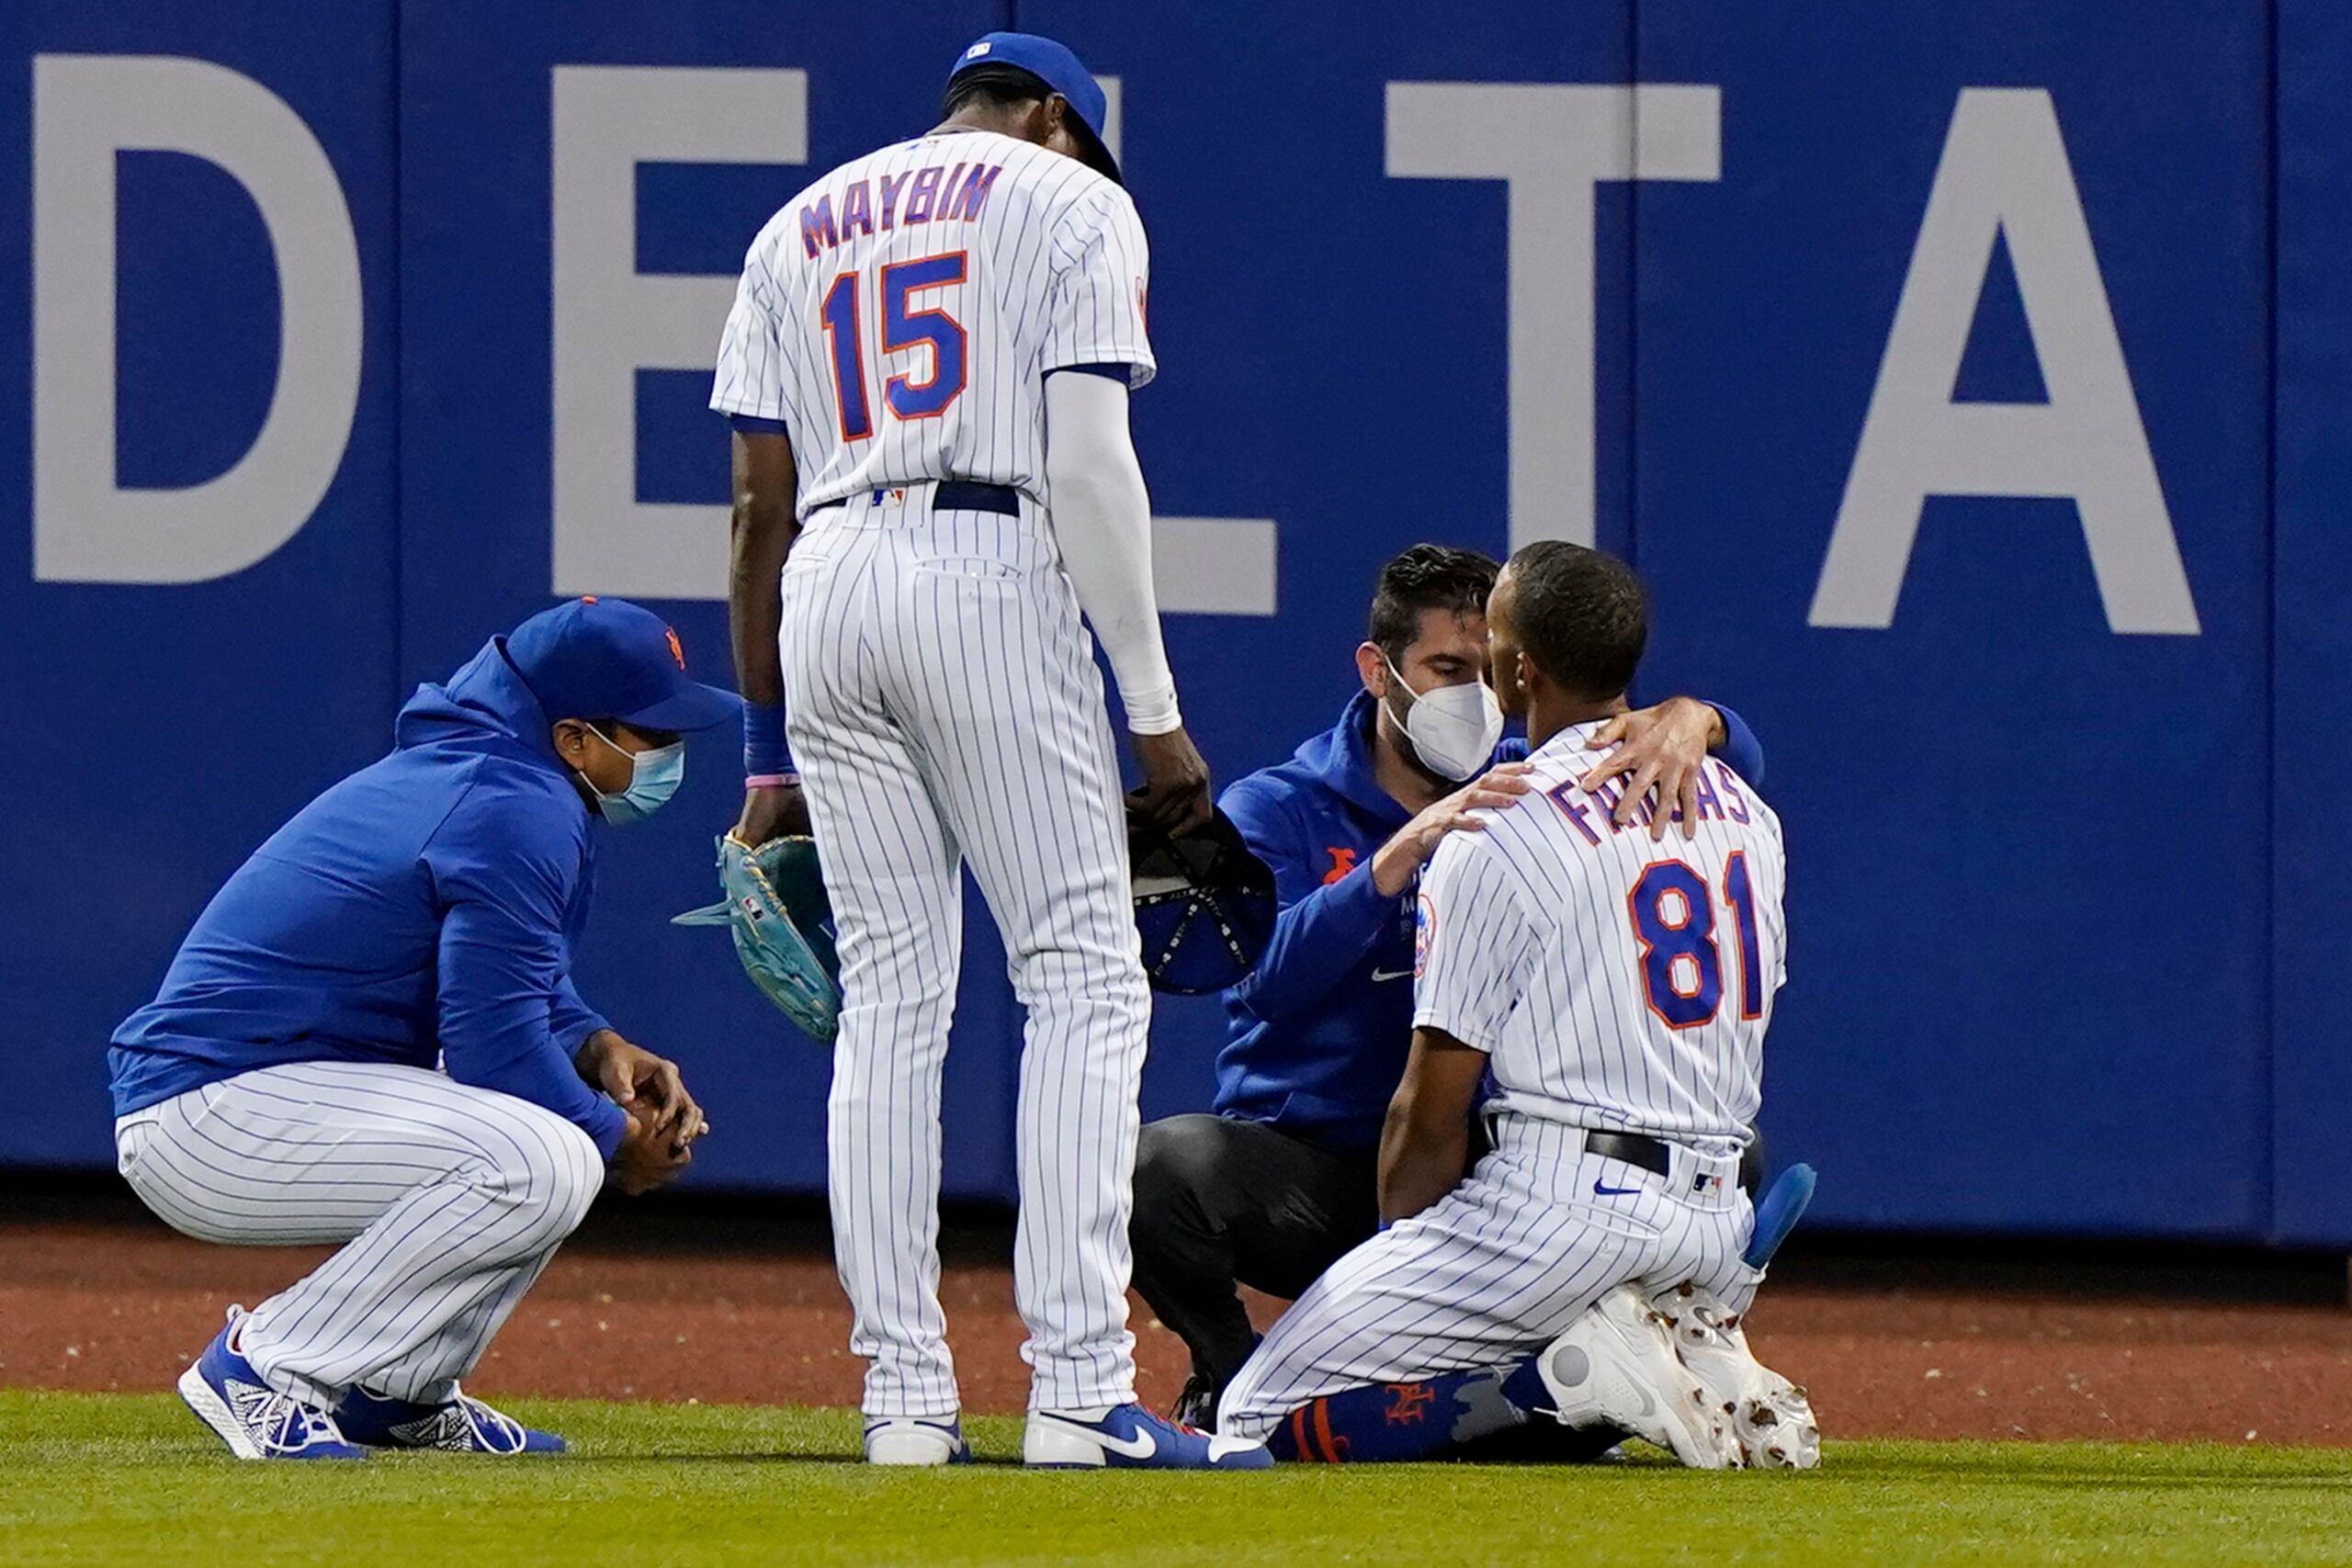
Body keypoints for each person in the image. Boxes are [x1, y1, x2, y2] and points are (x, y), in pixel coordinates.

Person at [709, 30, 1268, 1470]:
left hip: (828, 579)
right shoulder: (1072, 199)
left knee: (894, 1001)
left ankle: (902, 1398)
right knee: (1081, 970)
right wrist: (1155, 712)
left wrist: (769, 735)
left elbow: (754, 509)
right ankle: (1079, 1387)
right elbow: (1088, 460)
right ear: (1054, 120)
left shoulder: (797, 224)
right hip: (986, 558)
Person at [1130, 543, 1765, 1426]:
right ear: (1378, 670)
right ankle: (1230, 1372)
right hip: (1313, 1166)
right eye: (1444, 668)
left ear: (1516, 671)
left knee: (1733, 1150)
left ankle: (1565, 1390)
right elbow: (1260, 980)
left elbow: (1741, 762)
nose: (1471, 693)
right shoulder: (1281, 804)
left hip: (1481, 1171)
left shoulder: (1516, 780)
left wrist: (1699, 718)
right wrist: (1395, 860)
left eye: (1483, 667)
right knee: (1157, 1170)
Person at [108, 597, 728, 1460]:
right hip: (212, 1112)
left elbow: (501, 976)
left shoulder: (499, 775)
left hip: (272, 1089)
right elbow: (491, 1044)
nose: (669, 752)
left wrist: (596, 1044)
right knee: (543, 1156)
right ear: (576, 739)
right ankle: (267, 1364)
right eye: (650, 732)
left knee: (547, 1143)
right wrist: (616, 1133)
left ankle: (395, 1392)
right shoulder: (516, 804)